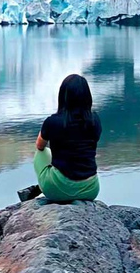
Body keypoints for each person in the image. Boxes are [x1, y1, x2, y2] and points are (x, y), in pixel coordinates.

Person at [30, 74, 102, 202]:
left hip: (59, 190)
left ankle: (44, 187)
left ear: (63, 96)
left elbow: (40, 146)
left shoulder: (53, 122)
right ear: (87, 97)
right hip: (91, 189)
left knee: (42, 153)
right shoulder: (94, 120)